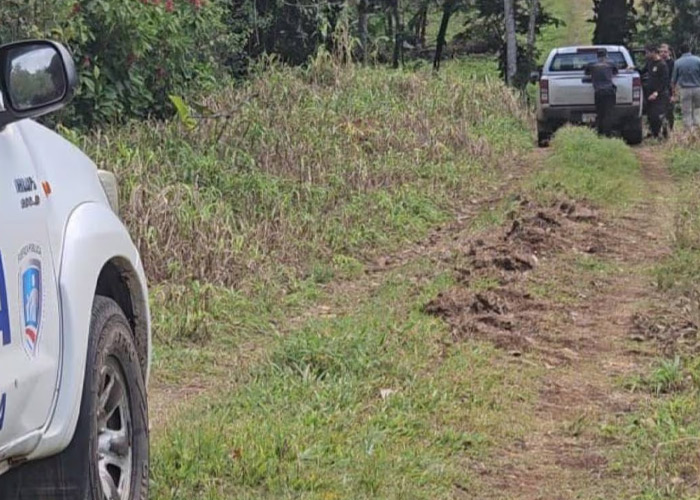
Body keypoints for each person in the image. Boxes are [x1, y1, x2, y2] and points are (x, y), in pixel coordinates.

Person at [585, 48, 618, 137]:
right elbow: (615, 72)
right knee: (608, 113)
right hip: (609, 91)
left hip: (598, 92)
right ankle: (607, 134)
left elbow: (586, 73)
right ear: (606, 55)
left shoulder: (591, 64)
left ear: (597, 55)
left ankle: (600, 133)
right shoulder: (611, 63)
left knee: (600, 113)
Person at [671, 43, 700, 128]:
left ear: (680, 51)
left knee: (686, 111)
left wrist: (674, 93)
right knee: (697, 110)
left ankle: (689, 131)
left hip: (685, 90)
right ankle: (697, 128)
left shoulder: (677, 62)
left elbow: (673, 80)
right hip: (697, 88)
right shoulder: (698, 60)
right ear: (689, 49)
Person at [645, 45, 670, 139]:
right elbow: (643, 71)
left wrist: (656, 92)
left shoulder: (662, 65)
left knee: (660, 115)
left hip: (660, 94)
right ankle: (655, 134)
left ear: (653, 52)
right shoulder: (650, 63)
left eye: (647, 52)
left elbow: (664, 81)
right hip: (650, 93)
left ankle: (664, 133)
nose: (646, 55)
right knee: (651, 116)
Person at [660, 43, 675, 130]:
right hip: (660, 90)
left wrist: (674, 93)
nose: (663, 53)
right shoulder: (658, 62)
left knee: (670, 110)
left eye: (665, 51)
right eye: (661, 52)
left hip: (669, 89)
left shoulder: (672, 63)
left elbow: (674, 78)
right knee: (661, 111)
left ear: (669, 52)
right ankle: (663, 129)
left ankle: (671, 128)